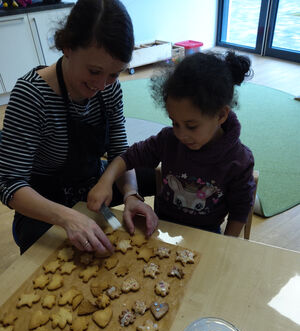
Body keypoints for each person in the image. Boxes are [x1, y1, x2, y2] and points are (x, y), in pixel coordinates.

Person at [0, 0, 158, 255]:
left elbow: (120, 152)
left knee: (164, 179)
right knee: (53, 255)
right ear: (67, 47)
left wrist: (130, 194)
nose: (103, 85)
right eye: (94, 71)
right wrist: (68, 217)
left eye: (114, 74)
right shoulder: (31, 95)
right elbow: (10, 184)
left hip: (94, 185)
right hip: (46, 199)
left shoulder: (108, 90)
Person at [87, 51, 256, 237]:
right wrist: (105, 181)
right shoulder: (169, 140)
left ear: (221, 115)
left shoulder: (239, 160)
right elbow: (129, 157)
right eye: (174, 122)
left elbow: (240, 210)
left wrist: (226, 244)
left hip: (206, 233)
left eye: (191, 126)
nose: (181, 134)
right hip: (161, 225)